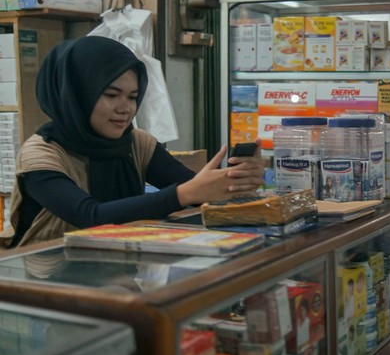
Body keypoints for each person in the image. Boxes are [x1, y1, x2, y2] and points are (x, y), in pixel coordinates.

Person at [3, 36, 264, 248]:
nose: (125, 108)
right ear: (77, 95)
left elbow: (194, 191)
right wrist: (186, 193)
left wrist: (235, 180)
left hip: (115, 270)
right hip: (44, 283)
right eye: (111, 95)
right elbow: (90, 216)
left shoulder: (137, 142)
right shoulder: (41, 155)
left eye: (132, 97)